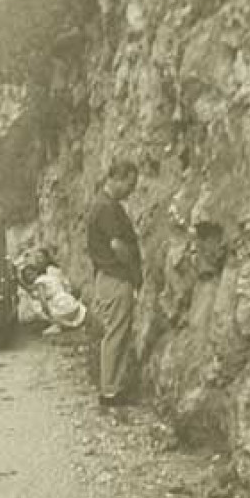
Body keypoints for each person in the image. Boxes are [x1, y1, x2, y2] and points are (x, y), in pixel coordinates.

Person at [86, 157, 142, 407]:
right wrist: (133, 272)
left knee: (115, 332)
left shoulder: (103, 204)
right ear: (117, 179)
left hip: (108, 277)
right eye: (130, 183)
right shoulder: (107, 207)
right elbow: (117, 245)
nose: (132, 189)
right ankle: (109, 392)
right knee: (116, 334)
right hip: (115, 277)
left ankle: (111, 388)